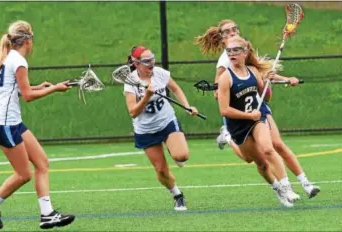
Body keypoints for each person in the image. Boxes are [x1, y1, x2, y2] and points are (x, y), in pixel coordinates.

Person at [195, 19, 320, 199]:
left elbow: (259, 71)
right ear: (222, 39)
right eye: (227, 32)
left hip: (258, 107)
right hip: (238, 112)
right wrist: (225, 89)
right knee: (251, 159)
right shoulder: (226, 58)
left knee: (276, 145)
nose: (232, 33)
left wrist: (285, 79)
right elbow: (218, 91)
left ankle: (304, 184)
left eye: (234, 29)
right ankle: (228, 137)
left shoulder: (244, 47)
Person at [0, 20, 75, 230]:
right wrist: (55, 89)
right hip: (5, 123)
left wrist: (38, 85)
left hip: (11, 121)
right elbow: (29, 97)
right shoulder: (19, 61)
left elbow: (21, 90)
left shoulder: (10, 57)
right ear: (28, 40)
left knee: (42, 162)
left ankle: (47, 215)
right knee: (24, 174)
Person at [217, 36, 299, 207]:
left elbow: (266, 97)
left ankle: (287, 188)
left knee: (268, 149)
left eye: (236, 50)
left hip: (257, 119)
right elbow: (224, 110)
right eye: (229, 51)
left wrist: (267, 82)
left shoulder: (253, 71)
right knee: (259, 163)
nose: (232, 54)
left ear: (245, 53)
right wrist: (249, 116)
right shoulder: (225, 78)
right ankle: (277, 188)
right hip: (238, 125)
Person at [123, 45, 199, 211]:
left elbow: (175, 88)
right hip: (146, 130)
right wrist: (146, 97)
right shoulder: (131, 83)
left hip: (166, 121)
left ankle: (174, 151)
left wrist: (187, 106)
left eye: (152, 59)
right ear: (136, 64)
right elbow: (133, 112)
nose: (151, 63)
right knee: (161, 170)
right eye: (146, 61)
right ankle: (177, 195)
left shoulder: (160, 73)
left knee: (182, 155)